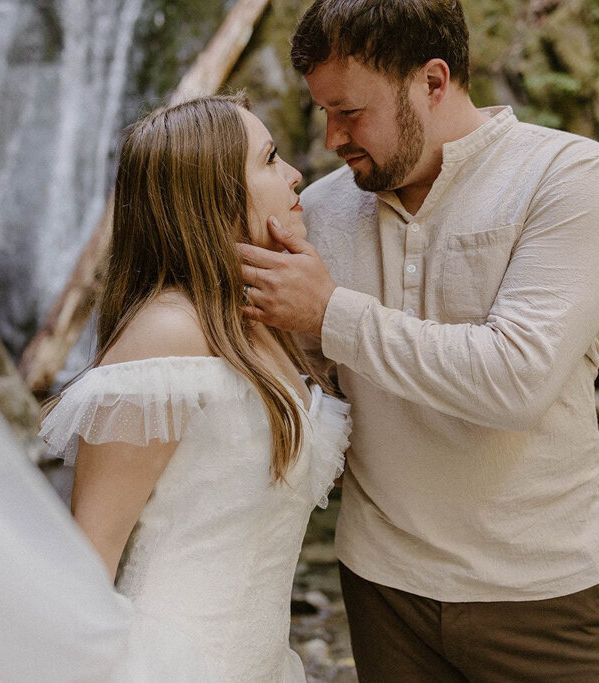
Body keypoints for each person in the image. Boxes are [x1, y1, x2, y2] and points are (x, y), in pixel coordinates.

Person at [237, 1, 599, 680]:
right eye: (323, 112)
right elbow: (303, 389)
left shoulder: (570, 178)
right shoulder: (324, 210)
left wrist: (329, 312)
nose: (331, 138)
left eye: (350, 112)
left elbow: (516, 382)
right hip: (381, 586)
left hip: (537, 595)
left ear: (433, 80)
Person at [39, 94, 351, 681]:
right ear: (212, 190)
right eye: (270, 158)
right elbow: (90, 556)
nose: (295, 174)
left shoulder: (255, 321)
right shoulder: (164, 334)